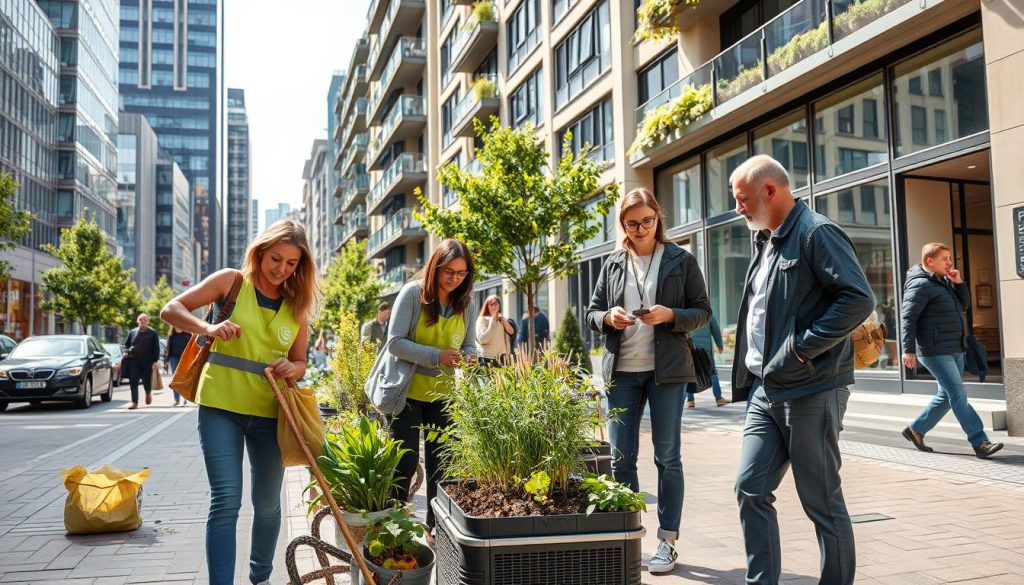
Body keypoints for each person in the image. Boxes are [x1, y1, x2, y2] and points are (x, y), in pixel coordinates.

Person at [729, 155, 874, 585]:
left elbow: (857, 298)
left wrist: (798, 352)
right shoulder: (766, 240)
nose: (738, 208)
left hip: (811, 388)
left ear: (770, 190)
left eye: (742, 199)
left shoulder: (816, 232)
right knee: (750, 488)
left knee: (822, 502)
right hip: (766, 389)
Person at [159, 219, 318, 585]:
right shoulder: (231, 282)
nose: (281, 269)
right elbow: (171, 309)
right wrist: (208, 328)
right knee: (226, 500)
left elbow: (301, 362)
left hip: (269, 414)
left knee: (267, 506)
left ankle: (259, 578)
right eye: (276, 258)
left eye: (291, 263)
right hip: (221, 407)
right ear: (260, 252)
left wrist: (290, 368)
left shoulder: (296, 307)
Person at [585, 187, 711, 574]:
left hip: (667, 372)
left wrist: (670, 314)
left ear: (658, 217)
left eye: (647, 221)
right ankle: (627, 535)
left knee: (667, 456)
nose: (640, 228)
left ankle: (667, 541)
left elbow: (703, 312)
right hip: (622, 371)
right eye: (631, 223)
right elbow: (591, 313)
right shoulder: (613, 262)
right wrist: (609, 318)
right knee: (622, 458)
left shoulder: (680, 259)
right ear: (622, 224)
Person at [387, 239, 478, 532]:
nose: (454, 278)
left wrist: (469, 357)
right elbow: (395, 343)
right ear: (435, 268)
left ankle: (435, 529)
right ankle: (394, 527)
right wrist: (436, 356)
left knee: (442, 466)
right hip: (407, 393)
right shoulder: (413, 294)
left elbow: (468, 344)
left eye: (461, 273)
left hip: (443, 396)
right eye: (448, 271)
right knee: (405, 462)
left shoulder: (466, 302)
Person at [900, 243, 1003, 458]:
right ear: (929, 261)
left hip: (955, 347)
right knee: (957, 394)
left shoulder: (943, 281)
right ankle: (980, 441)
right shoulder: (920, 285)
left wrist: (959, 283)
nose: (949, 263)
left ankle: (916, 430)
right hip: (934, 350)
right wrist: (908, 350)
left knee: (946, 396)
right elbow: (908, 318)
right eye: (944, 258)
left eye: (949, 258)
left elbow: (963, 305)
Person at [685, 314, 728, 408]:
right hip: (705, 348)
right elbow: (715, 330)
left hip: (690, 346)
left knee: (689, 371)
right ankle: (718, 398)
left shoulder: (686, 311)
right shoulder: (707, 312)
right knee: (711, 371)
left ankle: (690, 400)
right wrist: (719, 345)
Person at [123, 313, 160, 410]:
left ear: (148, 321)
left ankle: (148, 393)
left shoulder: (153, 333)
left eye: (144, 319)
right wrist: (126, 352)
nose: (142, 321)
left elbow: (156, 348)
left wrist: (155, 361)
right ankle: (134, 402)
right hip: (134, 361)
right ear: (137, 321)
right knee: (133, 382)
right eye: (140, 319)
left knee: (146, 381)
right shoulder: (132, 332)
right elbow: (126, 345)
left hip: (147, 362)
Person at [476, 295, 514, 366]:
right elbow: (483, 339)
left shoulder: (501, 319)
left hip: (502, 358)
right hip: (487, 358)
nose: (495, 307)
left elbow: (511, 332)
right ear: (487, 306)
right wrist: (492, 321)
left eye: (497, 304)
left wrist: (504, 321)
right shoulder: (482, 319)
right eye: (492, 305)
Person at [164, 326, 192, 406]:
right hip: (173, 358)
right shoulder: (171, 334)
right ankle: (176, 400)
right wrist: (166, 361)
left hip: (185, 358)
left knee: (184, 378)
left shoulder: (187, 334)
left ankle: (184, 398)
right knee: (175, 378)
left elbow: (191, 346)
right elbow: (168, 349)